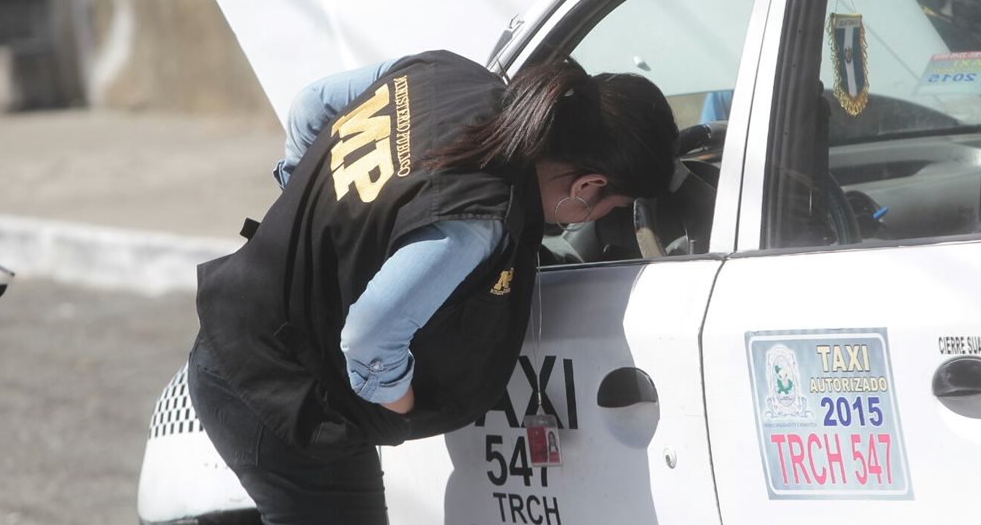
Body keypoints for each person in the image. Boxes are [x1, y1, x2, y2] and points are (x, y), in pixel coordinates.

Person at [186, 49, 677, 525]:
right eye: (614, 207)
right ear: (589, 186)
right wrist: (403, 408)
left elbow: (312, 104)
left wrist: (304, 222)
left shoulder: (445, 72)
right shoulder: (475, 225)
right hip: (276, 389)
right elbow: (368, 340)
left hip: (239, 330)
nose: (602, 217)